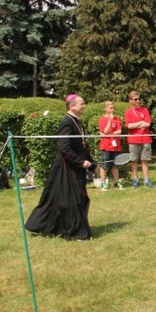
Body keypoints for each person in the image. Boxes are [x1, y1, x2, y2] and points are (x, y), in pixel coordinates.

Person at [25, 94, 93, 240]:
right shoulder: (66, 122)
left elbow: (82, 145)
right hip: (66, 168)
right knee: (72, 199)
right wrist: (80, 162)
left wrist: (91, 163)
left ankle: (64, 227)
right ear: (72, 106)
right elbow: (64, 148)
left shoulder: (77, 122)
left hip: (76, 167)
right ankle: (76, 232)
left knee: (74, 198)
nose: (84, 105)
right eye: (82, 103)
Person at [124, 90, 154, 188]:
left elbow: (148, 123)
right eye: (135, 99)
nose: (137, 101)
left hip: (145, 139)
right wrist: (141, 123)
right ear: (130, 100)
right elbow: (129, 126)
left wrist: (137, 124)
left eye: (138, 99)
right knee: (134, 160)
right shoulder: (128, 112)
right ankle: (135, 180)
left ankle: (146, 180)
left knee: (145, 160)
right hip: (134, 140)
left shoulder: (144, 110)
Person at [97, 101, 124, 190]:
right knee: (104, 165)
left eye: (113, 108)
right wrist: (109, 120)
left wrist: (112, 133)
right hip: (106, 145)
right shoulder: (102, 119)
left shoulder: (117, 119)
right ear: (106, 109)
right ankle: (104, 183)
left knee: (115, 164)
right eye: (110, 108)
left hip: (115, 146)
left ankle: (117, 182)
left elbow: (119, 131)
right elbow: (104, 131)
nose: (112, 110)